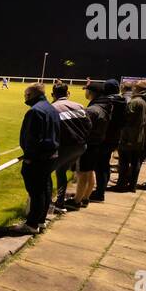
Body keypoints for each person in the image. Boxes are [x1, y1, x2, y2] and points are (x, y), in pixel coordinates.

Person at [16, 84, 59, 234]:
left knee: (36, 192)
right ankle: (40, 221)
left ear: (31, 95)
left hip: (38, 159)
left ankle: (32, 224)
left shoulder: (35, 112)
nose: (25, 98)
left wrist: (29, 157)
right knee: (45, 188)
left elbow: (32, 139)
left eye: (26, 95)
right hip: (51, 156)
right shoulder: (51, 108)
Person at [50, 81, 91, 209]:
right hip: (80, 146)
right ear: (68, 93)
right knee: (61, 171)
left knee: (45, 173)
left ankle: (44, 207)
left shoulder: (52, 108)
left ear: (52, 94)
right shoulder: (79, 105)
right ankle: (60, 202)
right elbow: (89, 125)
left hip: (65, 147)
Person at [112, 82, 146, 192]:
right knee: (135, 162)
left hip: (129, 137)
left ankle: (121, 185)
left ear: (135, 88)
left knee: (124, 162)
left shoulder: (135, 101)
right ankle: (132, 185)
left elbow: (126, 118)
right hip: (139, 136)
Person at [92, 79, 127, 196]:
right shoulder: (122, 101)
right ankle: (102, 188)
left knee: (100, 165)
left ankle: (99, 192)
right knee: (105, 163)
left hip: (104, 137)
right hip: (115, 137)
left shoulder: (108, 102)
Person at [78, 81, 111, 204]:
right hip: (98, 142)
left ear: (91, 92)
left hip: (90, 143)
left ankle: (77, 200)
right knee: (90, 171)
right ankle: (86, 197)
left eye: (87, 90)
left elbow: (84, 128)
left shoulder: (93, 109)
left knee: (83, 173)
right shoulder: (104, 106)